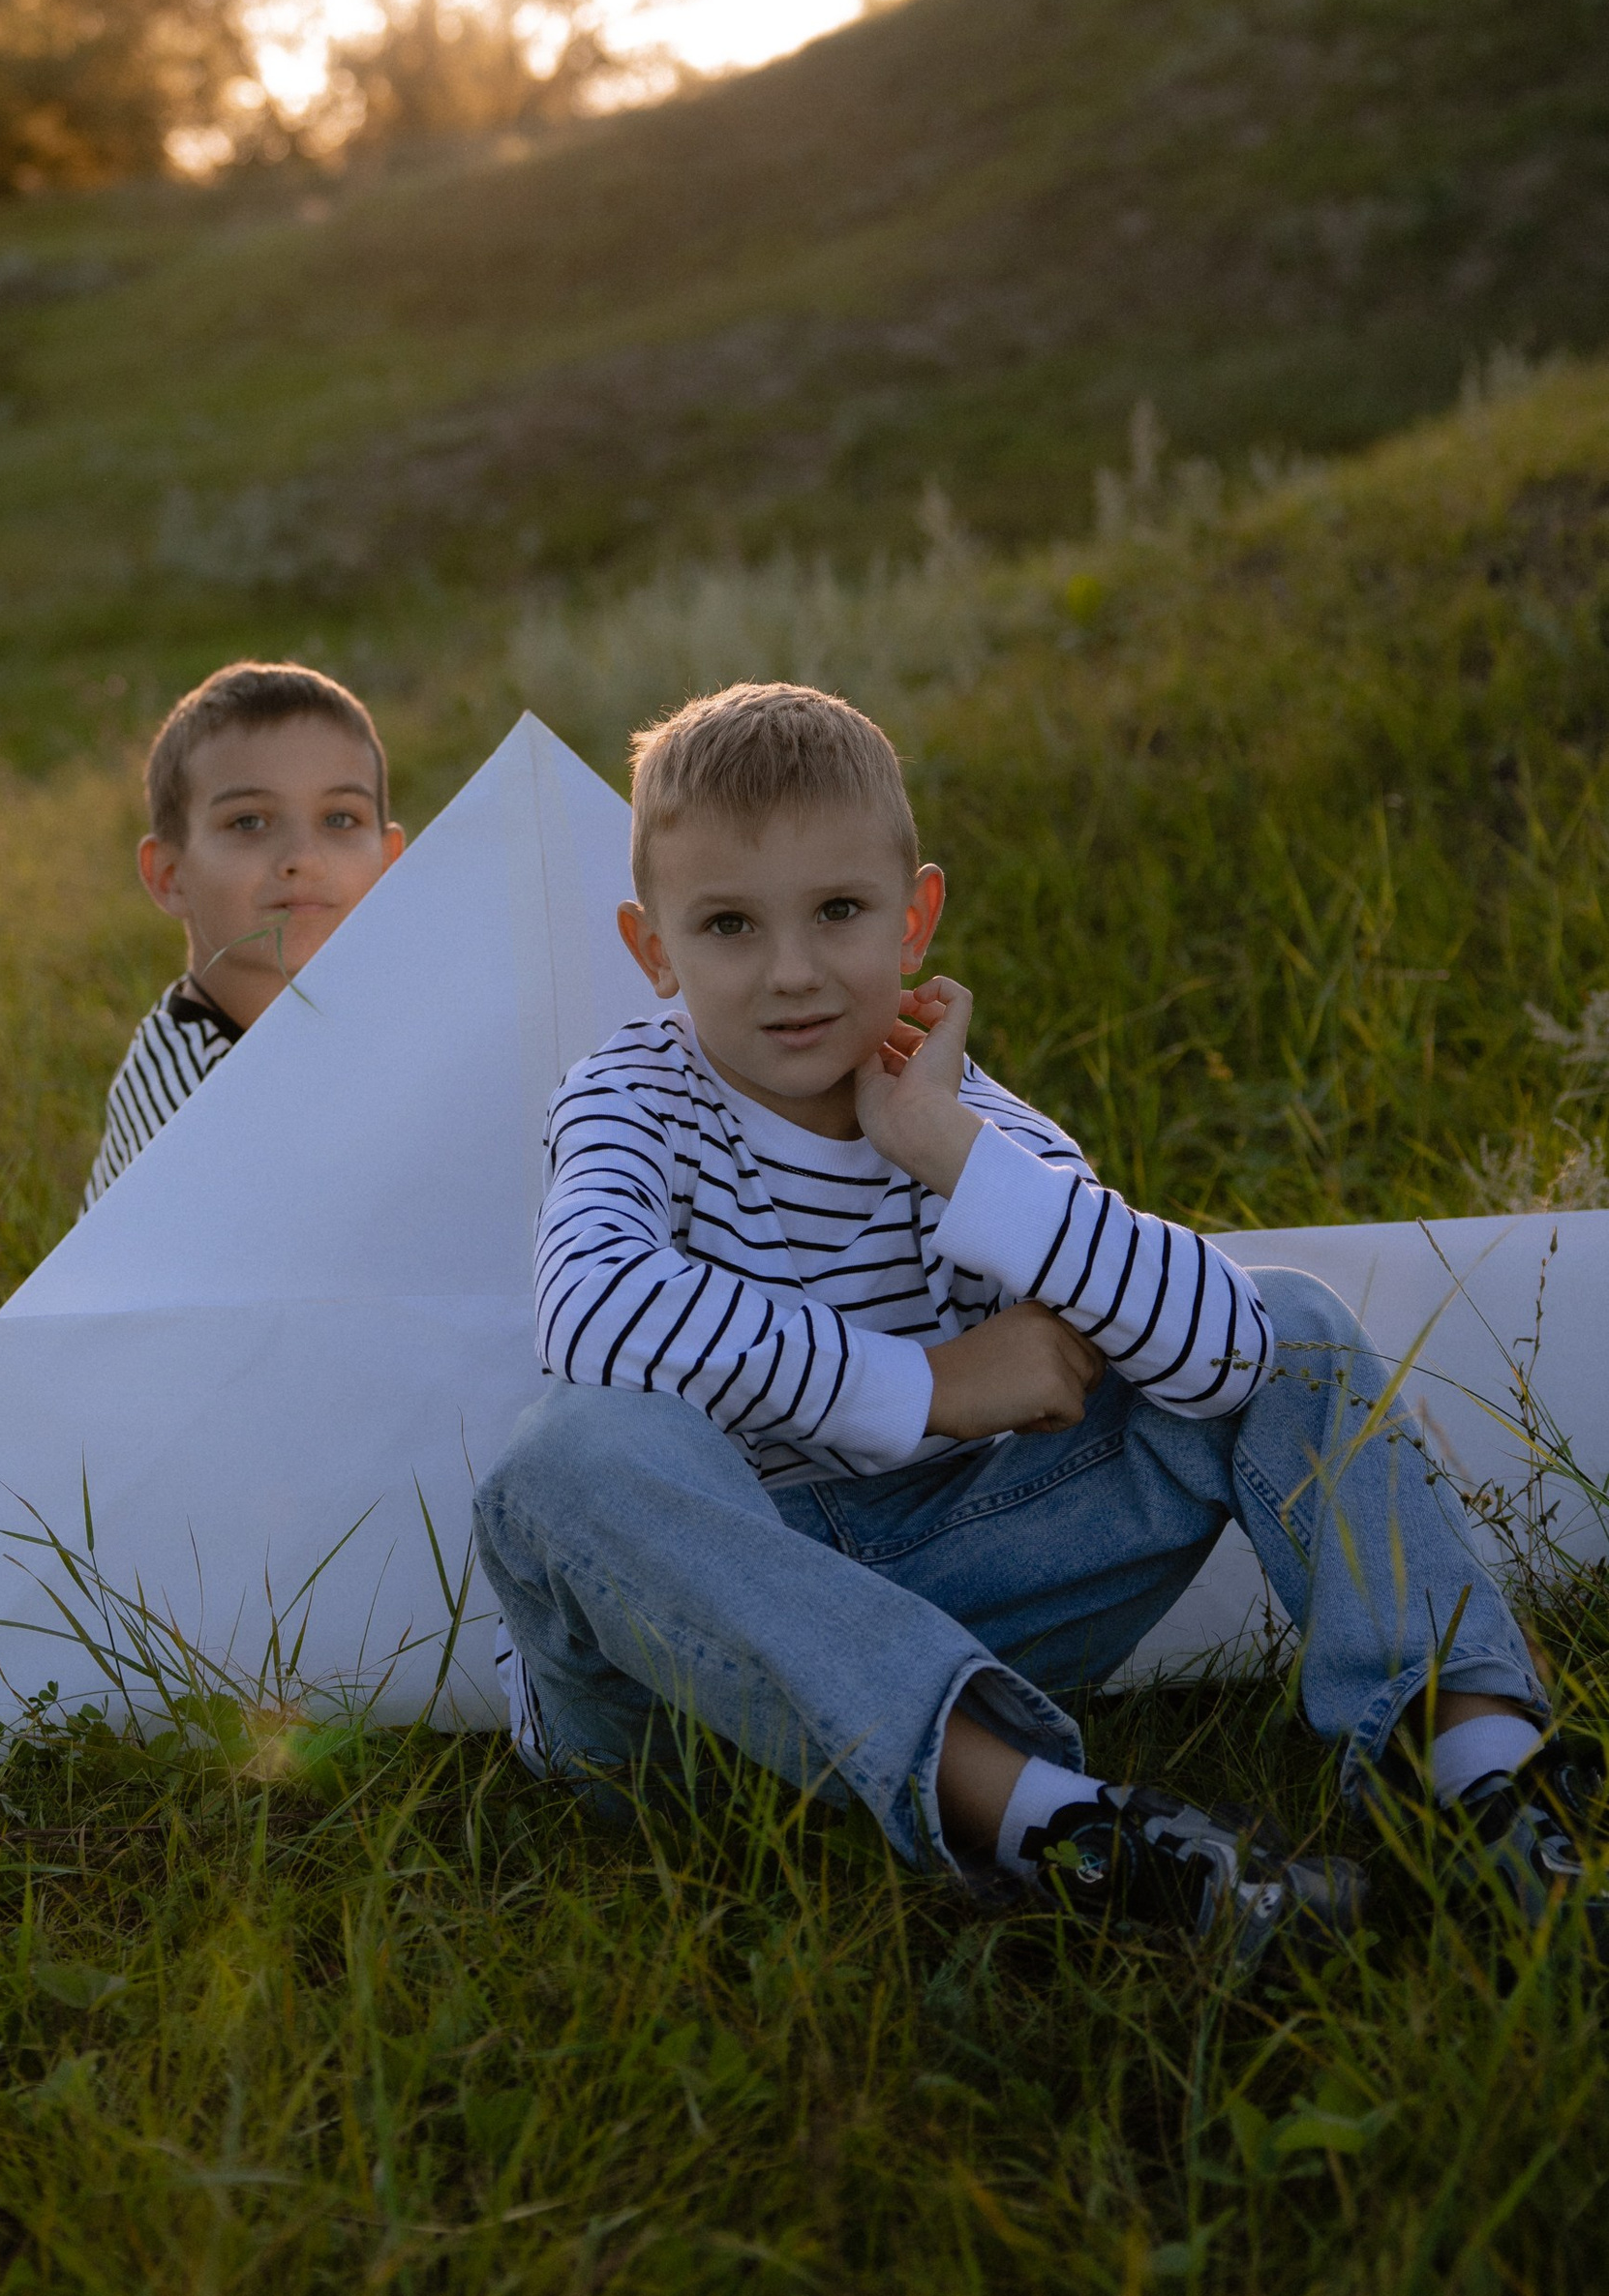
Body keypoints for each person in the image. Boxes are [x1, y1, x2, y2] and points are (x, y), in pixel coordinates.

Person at [474, 680, 1591, 1965]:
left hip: (958, 1596)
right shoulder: (631, 1095)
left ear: (916, 915)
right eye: (728, 924)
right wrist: (936, 1385)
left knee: (1297, 1327)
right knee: (567, 1455)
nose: (790, 971)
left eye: (838, 910)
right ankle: (1079, 1835)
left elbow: (1228, 1354)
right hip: (677, 1687)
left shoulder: (974, 1129)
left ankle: (1489, 1796)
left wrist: (946, 1149)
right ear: (653, 948)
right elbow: (595, 1311)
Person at [81, 658, 404, 1206]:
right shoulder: (188, 1103)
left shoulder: (384, 1014)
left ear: (390, 864)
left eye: (340, 819)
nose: (302, 858)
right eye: (248, 822)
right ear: (170, 876)